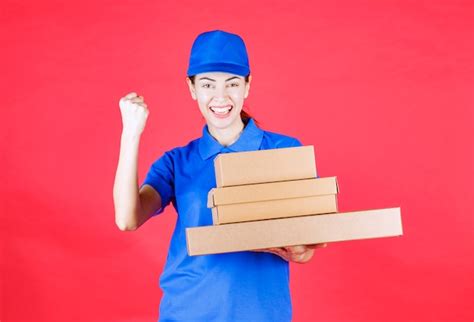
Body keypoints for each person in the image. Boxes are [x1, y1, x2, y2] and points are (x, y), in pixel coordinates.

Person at [113, 29, 327, 322]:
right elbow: (128, 218)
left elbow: (307, 244)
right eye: (207, 84)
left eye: (232, 83)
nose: (220, 97)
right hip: (186, 313)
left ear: (248, 85)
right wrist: (130, 135)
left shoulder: (285, 150)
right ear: (192, 89)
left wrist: (300, 247)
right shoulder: (177, 162)